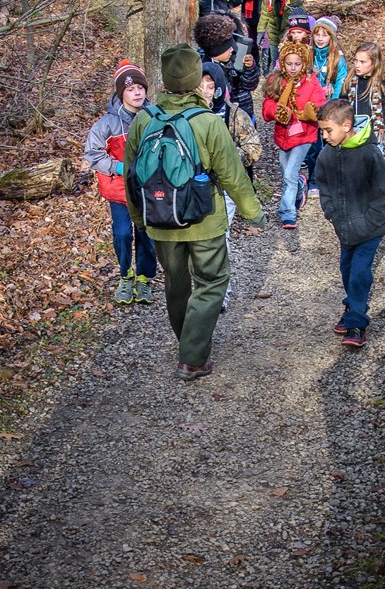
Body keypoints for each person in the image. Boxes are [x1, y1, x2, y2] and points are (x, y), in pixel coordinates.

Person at [123, 44, 266, 381]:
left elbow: (131, 177)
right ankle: (192, 356)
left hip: (159, 219)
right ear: (194, 80)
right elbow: (232, 174)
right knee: (212, 282)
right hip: (204, 220)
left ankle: (187, 343)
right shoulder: (207, 121)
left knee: (176, 285)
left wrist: (139, 219)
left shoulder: (144, 119)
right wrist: (253, 212)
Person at [315, 99, 385, 348]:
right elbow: (324, 186)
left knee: (360, 272)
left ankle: (357, 324)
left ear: (347, 125)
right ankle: (352, 306)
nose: (324, 136)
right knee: (347, 270)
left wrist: (371, 220)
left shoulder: (370, 153)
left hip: (369, 229)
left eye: (328, 130)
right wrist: (332, 212)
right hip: (345, 227)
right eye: (322, 131)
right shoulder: (327, 154)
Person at [84, 60, 157, 304]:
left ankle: (145, 278)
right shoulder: (107, 123)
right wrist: (119, 167)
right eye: (130, 89)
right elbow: (93, 154)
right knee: (123, 234)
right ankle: (126, 274)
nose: (136, 92)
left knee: (146, 234)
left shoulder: (154, 117)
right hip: (119, 191)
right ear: (120, 93)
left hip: (148, 191)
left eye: (140, 87)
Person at [198, 63, 262, 312]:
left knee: (219, 238)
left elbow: (254, 147)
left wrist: (228, 158)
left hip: (225, 187)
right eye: (200, 84)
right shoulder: (189, 115)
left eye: (210, 85)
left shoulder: (235, 115)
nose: (205, 90)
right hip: (196, 188)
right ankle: (202, 287)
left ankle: (220, 294)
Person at [262, 41, 326, 229]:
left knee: (289, 172)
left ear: (304, 63)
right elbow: (266, 105)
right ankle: (299, 184)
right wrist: (277, 112)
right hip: (283, 135)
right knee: (286, 172)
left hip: (305, 135)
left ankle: (287, 213)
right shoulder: (277, 81)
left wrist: (312, 111)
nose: (292, 68)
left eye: (297, 64)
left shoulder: (311, 81)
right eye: (289, 63)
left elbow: (320, 103)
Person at [304, 16, 348, 195]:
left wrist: (334, 107)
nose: (320, 38)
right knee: (313, 146)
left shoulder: (338, 58)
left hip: (329, 107)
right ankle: (314, 180)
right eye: (317, 34)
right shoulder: (308, 54)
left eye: (325, 35)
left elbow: (340, 83)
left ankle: (333, 180)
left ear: (332, 37)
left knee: (331, 144)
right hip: (311, 107)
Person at [194, 14, 259, 123]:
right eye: (228, 47)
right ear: (217, 50)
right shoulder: (202, 71)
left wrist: (249, 68)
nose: (232, 49)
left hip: (243, 114)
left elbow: (250, 85)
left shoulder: (234, 59)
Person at [341, 41, 385, 150]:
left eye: (362, 62)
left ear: (374, 63)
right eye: (356, 60)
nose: (357, 65)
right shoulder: (349, 82)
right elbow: (342, 105)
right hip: (352, 134)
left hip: (374, 137)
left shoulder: (384, 84)